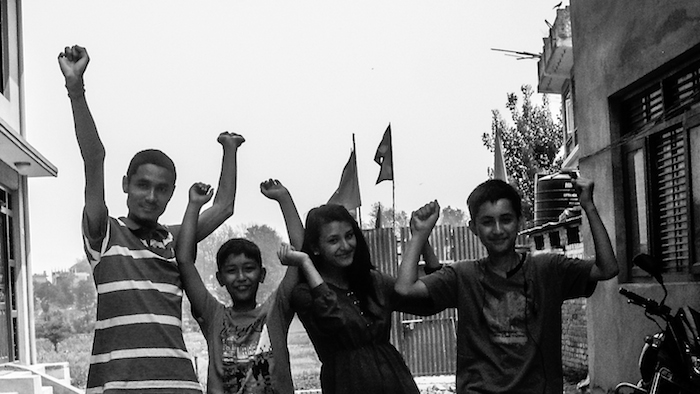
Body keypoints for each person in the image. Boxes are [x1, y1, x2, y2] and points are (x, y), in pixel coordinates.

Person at [59, 44, 244, 394]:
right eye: (142, 185)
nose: (151, 196)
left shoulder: (175, 241)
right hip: (117, 385)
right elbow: (94, 157)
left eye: (162, 189)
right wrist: (75, 89)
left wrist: (230, 150)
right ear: (126, 185)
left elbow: (223, 208)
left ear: (171, 194)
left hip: (177, 384)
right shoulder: (104, 233)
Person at [396, 178, 619, 394]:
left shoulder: (547, 269)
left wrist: (588, 206)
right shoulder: (464, 275)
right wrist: (420, 233)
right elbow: (405, 289)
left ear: (520, 222)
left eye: (506, 219)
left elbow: (607, 268)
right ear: (473, 228)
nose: (498, 229)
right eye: (487, 222)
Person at [277, 204, 431, 394]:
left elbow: (427, 302)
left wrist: (422, 237)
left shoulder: (373, 281)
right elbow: (333, 321)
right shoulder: (305, 294)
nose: (346, 246)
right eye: (333, 240)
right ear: (316, 248)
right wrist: (305, 262)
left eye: (349, 236)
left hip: (397, 382)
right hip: (346, 383)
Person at [176, 179, 303, 394]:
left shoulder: (275, 312)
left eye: (249, 268)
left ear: (261, 275)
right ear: (220, 278)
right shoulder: (213, 315)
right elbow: (185, 261)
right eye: (232, 270)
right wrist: (194, 205)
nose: (241, 277)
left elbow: (301, 251)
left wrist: (284, 198)